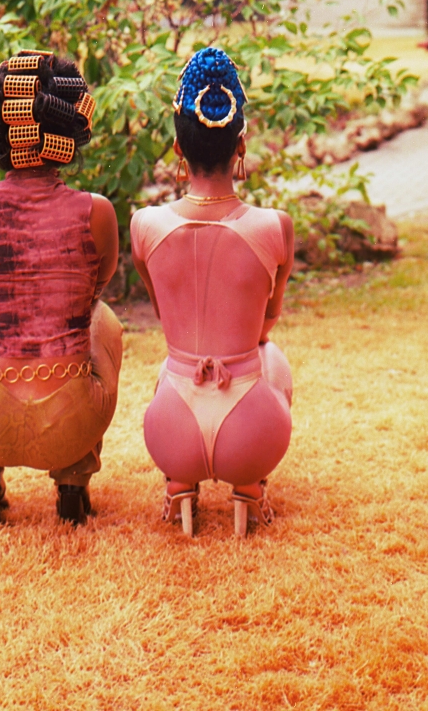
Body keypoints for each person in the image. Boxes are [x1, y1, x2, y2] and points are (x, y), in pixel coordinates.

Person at [0, 50, 123, 526]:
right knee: (101, 320)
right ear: (69, 129)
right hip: (69, 419)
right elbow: (98, 284)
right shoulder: (97, 212)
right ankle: (73, 480)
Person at [130, 47, 294, 537]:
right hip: (253, 433)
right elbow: (267, 321)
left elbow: (163, 310)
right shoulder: (275, 227)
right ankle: (250, 488)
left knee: (172, 362)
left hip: (170, 431)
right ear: (240, 145)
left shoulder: (144, 224)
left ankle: (180, 484)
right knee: (272, 356)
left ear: (178, 149)